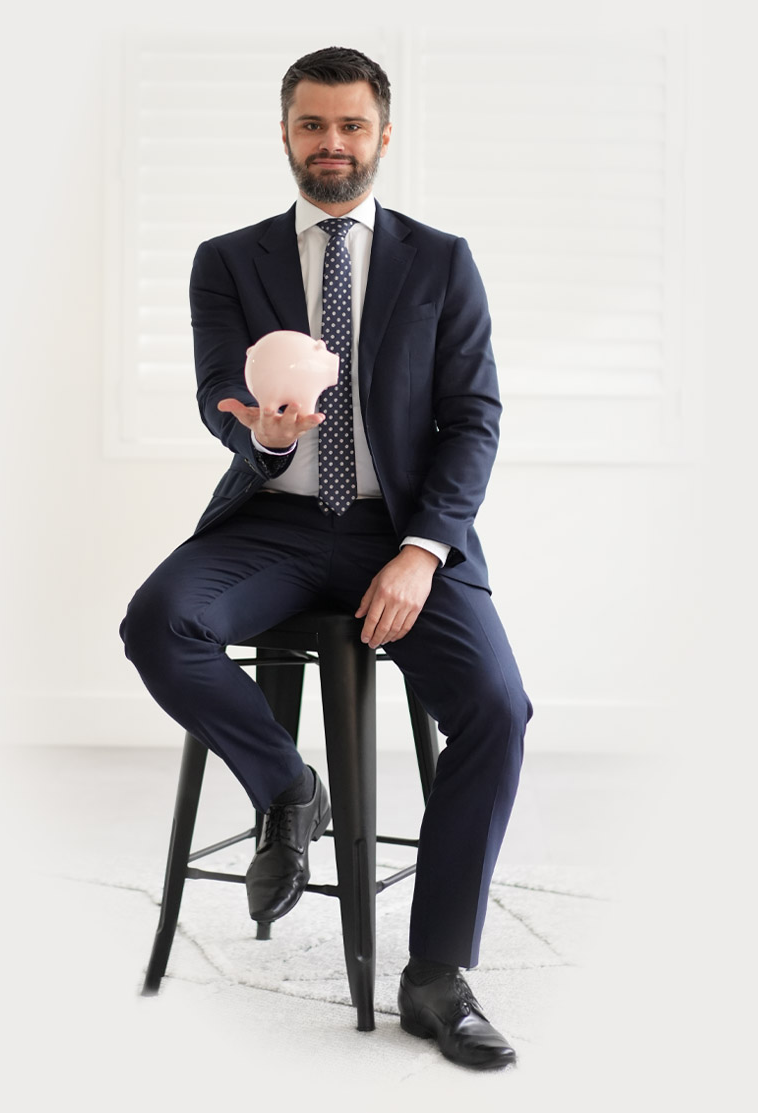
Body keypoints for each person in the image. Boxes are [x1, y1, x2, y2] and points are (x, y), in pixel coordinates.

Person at [121, 45, 531, 1070]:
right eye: (312, 125)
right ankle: (286, 786)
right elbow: (224, 399)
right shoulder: (230, 258)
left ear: (381, 136)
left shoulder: (439, 260)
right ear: (285, 133)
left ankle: (436, 975)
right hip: (273, 525)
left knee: (494, 707)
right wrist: (264, 434)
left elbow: (472, 419)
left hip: (400, 533)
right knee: (155, 623)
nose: (332, 145)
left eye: (351, 126)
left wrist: (422, 550)